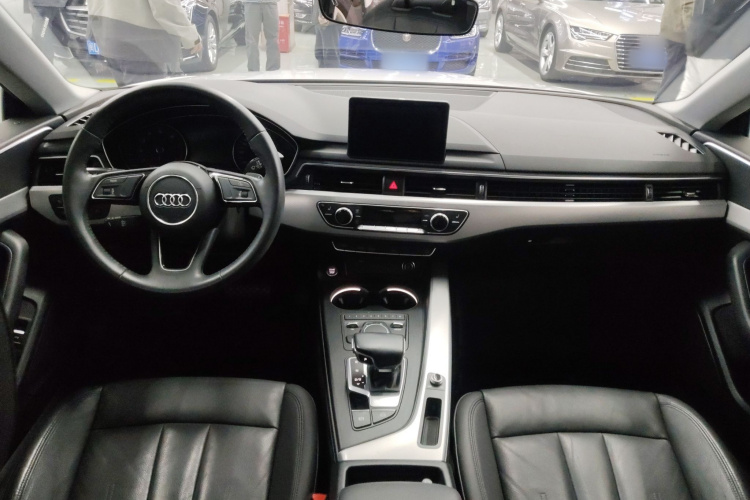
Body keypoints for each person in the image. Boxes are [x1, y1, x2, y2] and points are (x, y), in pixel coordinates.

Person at [88, 0, 203, 86]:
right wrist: (191, 37)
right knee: (148, 102)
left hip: (108, 39)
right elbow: (165, 6)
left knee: (128, 99)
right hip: (142, 46)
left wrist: (92, 37)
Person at [655, 0, 694, 101]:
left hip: (673, 31)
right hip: (680, 35)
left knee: (674, 71)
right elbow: (689, 7)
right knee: (675, 74)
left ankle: (664, 101)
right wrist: (694, 36)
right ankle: (664, 102)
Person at [243, 0, 281, 71]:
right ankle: (253, 70)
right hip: (251, 3)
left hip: (270, 3)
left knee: (273, 38)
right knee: (251, 39)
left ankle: (273, 70)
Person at [314, 0, 345, 68]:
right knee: (319, 54)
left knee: (330, 56)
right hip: (320, 17)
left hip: (330, 20)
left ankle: (331, 74)